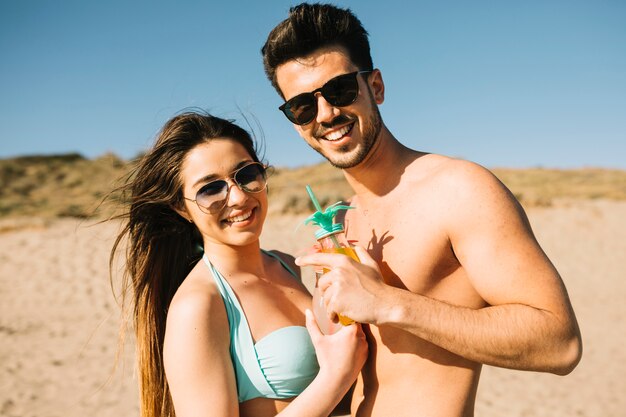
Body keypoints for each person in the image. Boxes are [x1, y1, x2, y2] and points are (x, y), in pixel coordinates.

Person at [261, 4, 582, 416]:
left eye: (340, 90)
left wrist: (389, 303)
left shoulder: (458, 189)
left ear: (375, 86)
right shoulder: (339, 223)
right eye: (303, 106)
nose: (325, 114)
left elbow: (560, 343)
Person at [109, 110, 367, 417]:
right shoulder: (198, 305)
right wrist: (335, 377)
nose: (238, 197)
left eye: (245, 174)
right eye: (210, 189)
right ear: (181, 207)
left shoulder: (287, 265)